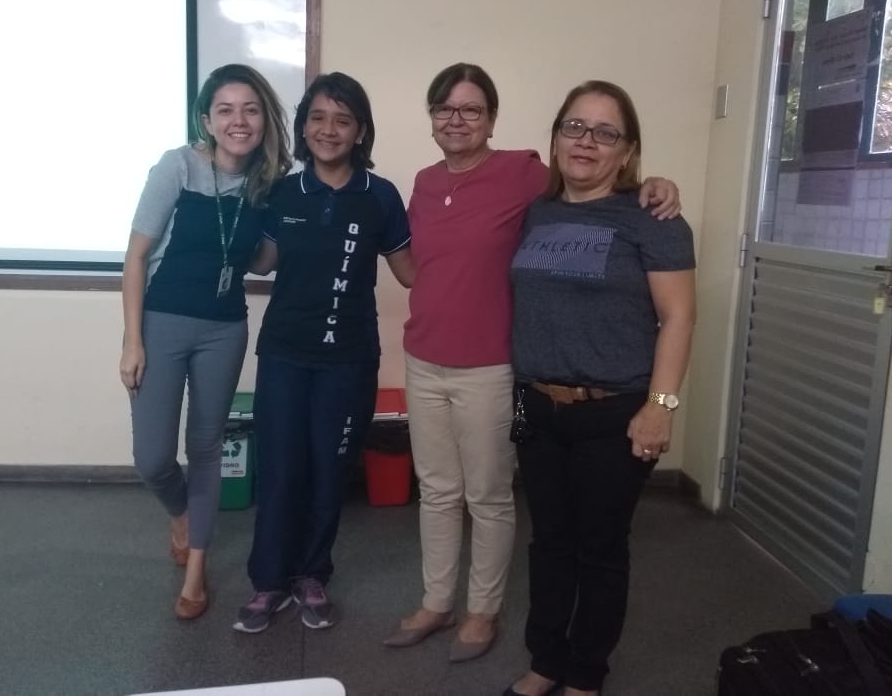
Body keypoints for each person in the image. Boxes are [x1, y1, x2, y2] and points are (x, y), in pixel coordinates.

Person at [384, 64, 681, 663]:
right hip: (424, 356)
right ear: (432, 117)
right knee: (436, 490)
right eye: (445, 108)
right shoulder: (423, 180)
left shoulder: (522, 174)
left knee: (487, 494)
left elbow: (594, 175)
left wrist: (656, 183)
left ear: (492, 119)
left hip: (491, 364)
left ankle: (482, 611)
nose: (457, 120)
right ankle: (437, 601)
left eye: (472, 109)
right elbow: (421, 264)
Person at [502, 80, 696, 696]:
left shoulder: (653, 218)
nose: (586, 142)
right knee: (548, 544)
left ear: (627, 149)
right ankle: (545, 661)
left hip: (615, 414)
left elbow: (679, 318)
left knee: (601, 549)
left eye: (605, 132)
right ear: (556, 137)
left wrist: (661, 407)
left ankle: (586, 675)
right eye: (574, 127)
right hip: (538, 406)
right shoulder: (537, 211)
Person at [233, 72, 414, 634]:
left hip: (350, 359)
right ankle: (269, 581)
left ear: (361, 131)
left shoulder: (381, 196)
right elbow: (263, 262)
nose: (328, 130)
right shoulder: (282, 192)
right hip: (286, 354)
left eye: (343, 120)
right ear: (303, 126)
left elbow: (412, 273)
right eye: (317, 118)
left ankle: (312, 575)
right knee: (280, 470)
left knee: (330, 471)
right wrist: (226, 204)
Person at [120, 64, 292, 621]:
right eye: (226, 109)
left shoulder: (267, 185)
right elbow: (136, 257)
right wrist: (132, 341)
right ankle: (181, 515)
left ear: (264, 119)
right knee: (152, 458)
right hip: (162, 321)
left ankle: (196, 570)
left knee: (207, 448)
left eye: (250, 109)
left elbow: (261, 262)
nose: (239, 120)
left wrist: (294, 228)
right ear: (207, 119)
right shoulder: (178, 166)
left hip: (224, 328)